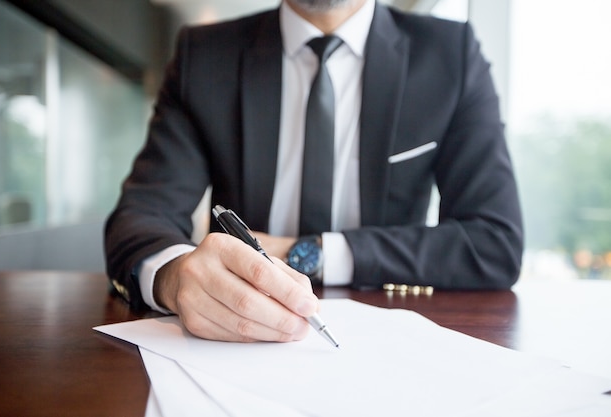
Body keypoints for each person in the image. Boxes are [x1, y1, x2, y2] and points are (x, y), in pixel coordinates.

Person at [104, 0, 523, 344]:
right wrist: (176, 277)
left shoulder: (451, 54)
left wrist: (311, 253)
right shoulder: (206, 55)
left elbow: (493, 240)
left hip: (391, 340)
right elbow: (141, 216)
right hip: (238, 342)